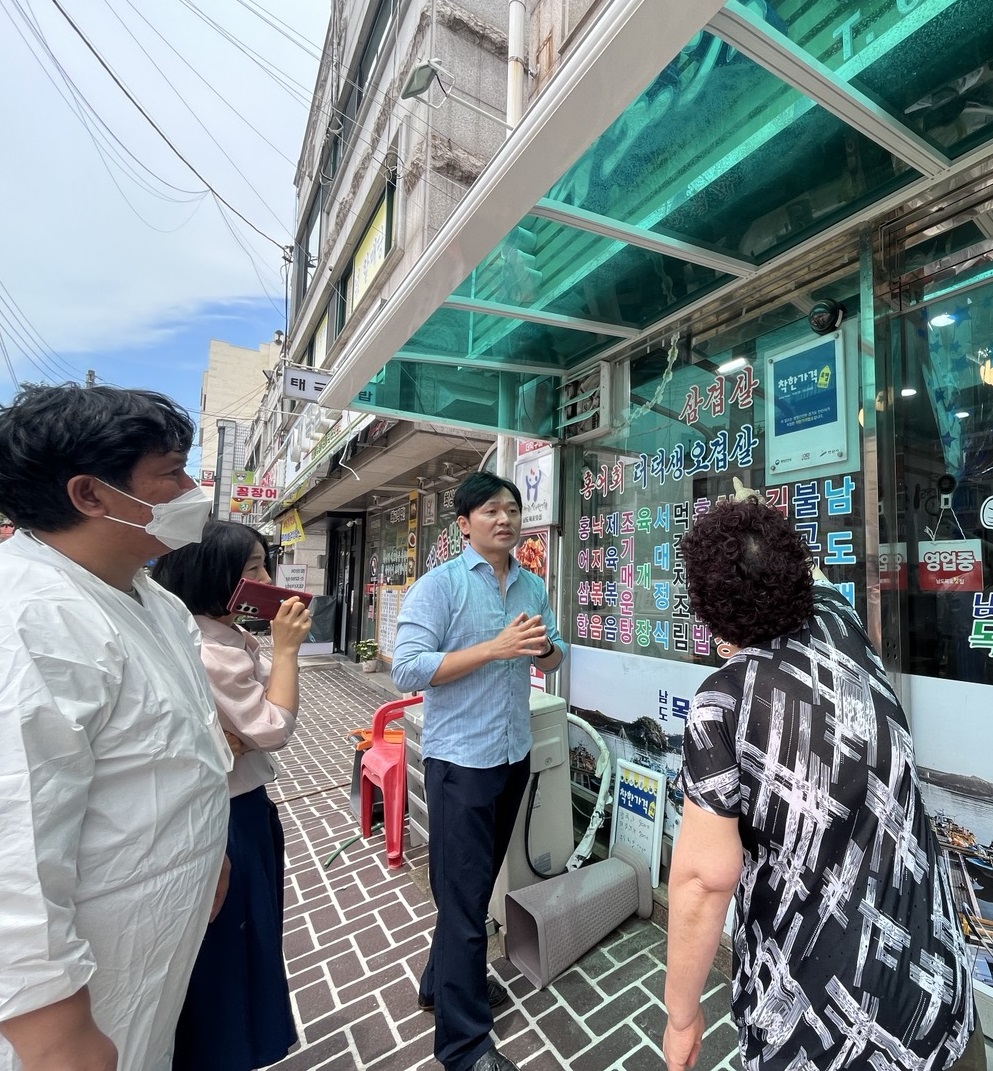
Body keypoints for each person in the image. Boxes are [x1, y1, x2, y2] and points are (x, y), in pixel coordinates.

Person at [662, 479, 982, 1071]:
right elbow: (811, 579)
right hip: (937, 997)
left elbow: (703, 883)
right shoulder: (842, 623)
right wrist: (761, 519)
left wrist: (681, 1016)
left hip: (819, 1030)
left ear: (707, 612)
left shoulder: (722, 704)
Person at [0, 384, 230, 1071]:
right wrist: (51, 1028)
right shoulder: (30, 619)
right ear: (90, 495)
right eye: (170, 473)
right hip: (68, 1008)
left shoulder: (149, 598)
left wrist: (205, 850)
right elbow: (16, 828)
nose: (193, 490)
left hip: (145, 946)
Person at [392, 472, 566, 1071]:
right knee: (465, 904)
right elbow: (408, 671)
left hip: (512, 754)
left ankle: (440, 983)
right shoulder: (436, 589)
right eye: (491, 510)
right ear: (463, 524)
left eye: (513, 510)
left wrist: (542, 649)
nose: (505, 519)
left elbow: (555, 653)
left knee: (473, 885)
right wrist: (494, 648)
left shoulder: (532, 586)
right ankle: (464, 1048)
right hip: (460, 762)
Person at [151, 521, 311, 1071]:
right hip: (227, 819)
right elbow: (271, 726)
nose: (267, 579)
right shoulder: (208, 648)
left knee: (251, 938)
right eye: (253, 568)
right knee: (235, 946)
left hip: (245, 808)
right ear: (212, 574)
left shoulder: (226, 633)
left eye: (266, 564)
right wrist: (288, 649)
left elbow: (251, 733)